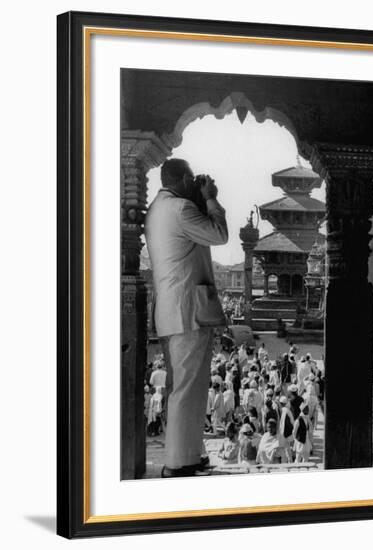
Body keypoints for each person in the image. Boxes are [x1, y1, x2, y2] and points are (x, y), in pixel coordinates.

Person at [145, 158, 228, 477]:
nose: (195, 184)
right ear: (181, 180)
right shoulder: (181, 210)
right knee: (185, 390)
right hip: (187, 312)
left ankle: (191, 454)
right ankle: (179, 463)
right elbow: (219, 234)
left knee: (187, 388)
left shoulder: (159, 208)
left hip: (173, 311)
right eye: (192, 180)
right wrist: (210, 197)